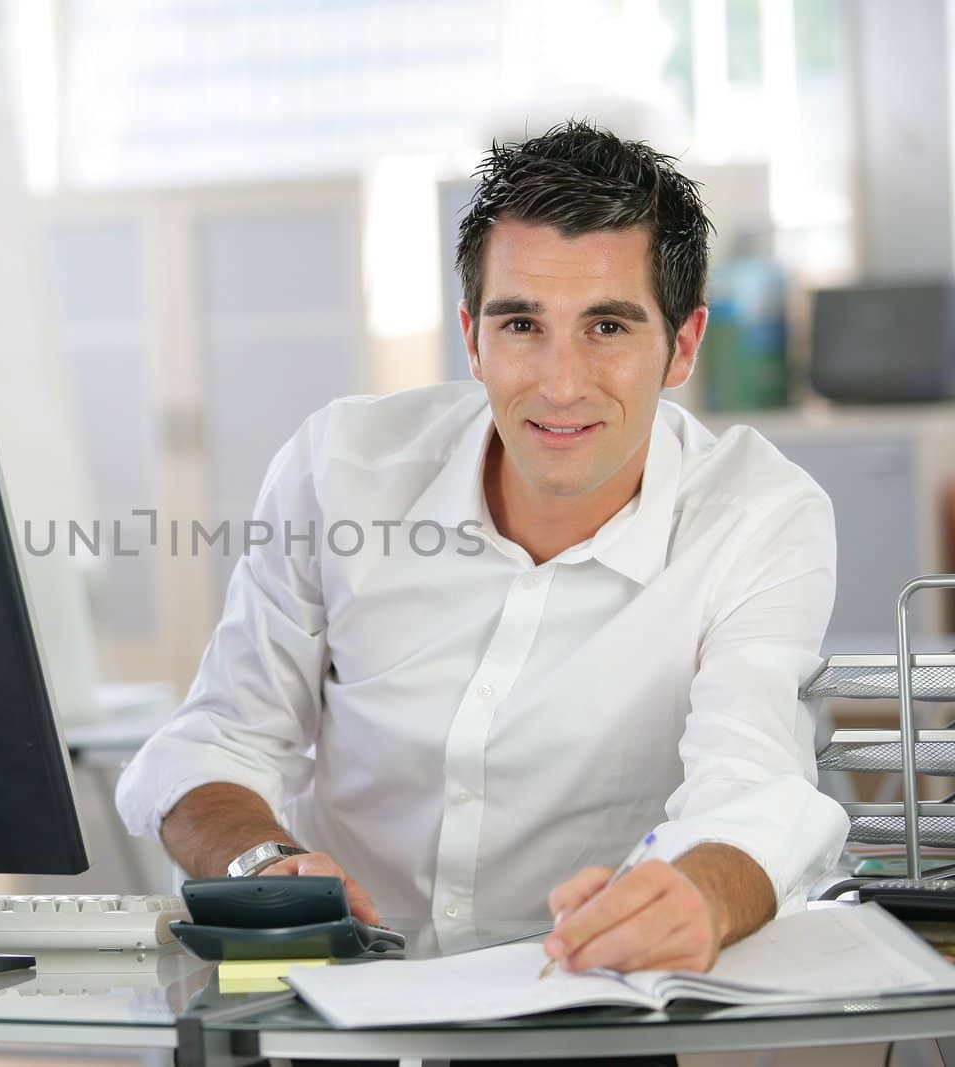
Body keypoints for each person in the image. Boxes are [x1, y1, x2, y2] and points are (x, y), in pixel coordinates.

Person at [115, 120, 848, 976]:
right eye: (521, 326)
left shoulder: (759, 514)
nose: (561, 383)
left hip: (584, 1002)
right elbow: (215, 742)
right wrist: (264, 868)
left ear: (681, 346)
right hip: (328, 996)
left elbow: (754, 779)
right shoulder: (341, 469)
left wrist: (702, 893)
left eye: (607, 328)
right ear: (471, 336)